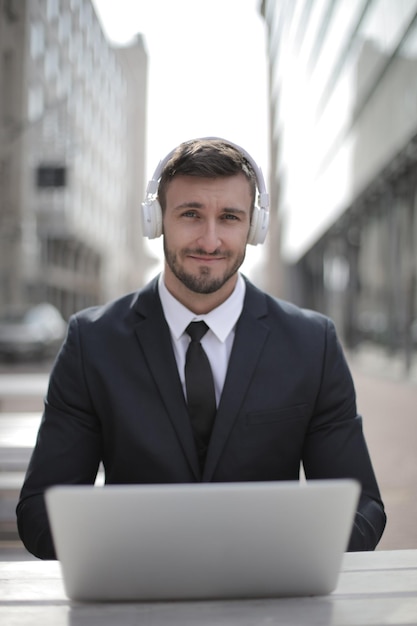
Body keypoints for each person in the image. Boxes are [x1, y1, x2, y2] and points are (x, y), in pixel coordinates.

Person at [17, 137, 386, 559]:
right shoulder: (92, 343)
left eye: (229, 217)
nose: (210, 242)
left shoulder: (312, 344)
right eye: (191, 214)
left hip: (270, 601)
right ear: (156, 221)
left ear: (254, 227)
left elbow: (364, 509)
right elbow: (40, 513)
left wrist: (269, 556)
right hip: (139, 601)